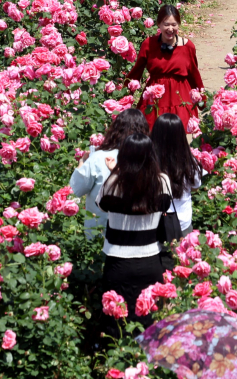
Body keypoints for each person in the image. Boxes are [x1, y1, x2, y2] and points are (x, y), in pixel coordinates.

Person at [95, 133, 173, 323]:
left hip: (117, 262)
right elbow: (166, 206)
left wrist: (114, 171)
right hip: (150, 260)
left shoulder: (113, 182)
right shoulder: (162, 181)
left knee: (116, 322)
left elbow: (100, 205)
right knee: (148, 322)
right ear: (151, 155)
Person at [68, 107, 149, 238]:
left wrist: (82, 163)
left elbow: (76, 189)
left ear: (115, 130)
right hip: (138, 234)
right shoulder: (148, 158)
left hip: (100, 233)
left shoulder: (99, 157)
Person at [125, 4, 204, 129]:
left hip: (180, 97)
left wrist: (202, 101)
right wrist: (124, 96)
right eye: (166, 24)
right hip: (155, 97)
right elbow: (137, 72)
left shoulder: (188, 47)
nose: (170, 29)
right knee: (152, 134)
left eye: (174, 25)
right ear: (159, 24)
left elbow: (194, 75)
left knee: (178, 135)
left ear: (179, 25)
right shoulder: (148, 44)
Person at [150, 113, 201, 234]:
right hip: (181, 223)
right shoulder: (188, 160)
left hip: (153, 224)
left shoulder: (148, 159)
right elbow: (195, 187)